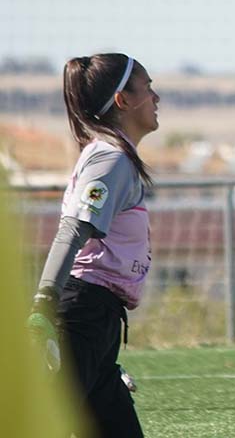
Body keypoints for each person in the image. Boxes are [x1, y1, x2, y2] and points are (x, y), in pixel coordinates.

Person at [27, 53, 159, 437]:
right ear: (123, 101)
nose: (156, 97)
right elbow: (73, 230)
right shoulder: (110, 161)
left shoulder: (114, 158)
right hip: (82, 313)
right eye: (147, 88)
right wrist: (43, 305)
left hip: (98, 322)